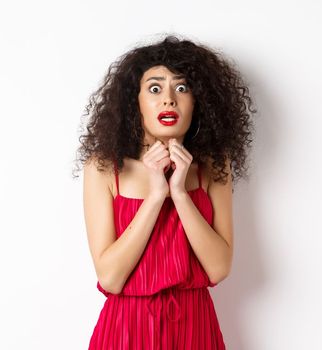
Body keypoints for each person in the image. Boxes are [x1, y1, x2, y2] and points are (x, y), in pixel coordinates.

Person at [74, 34, 256, 349]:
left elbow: (218, 267)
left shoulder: (213, 166)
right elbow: (110, 278)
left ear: (198, 101)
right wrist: (157, 196)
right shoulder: (104, 168)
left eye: (182, 88)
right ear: (136, 101)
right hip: (126, 330)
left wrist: (181, 194)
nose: (168, 99)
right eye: (155, 88)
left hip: (194, 328)